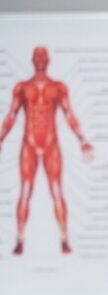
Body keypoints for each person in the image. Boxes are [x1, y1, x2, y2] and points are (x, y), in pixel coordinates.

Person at [0, 46, 94, 256]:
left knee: (56, 190)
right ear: (32, 60)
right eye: (37, 56)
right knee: (25, 190)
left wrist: (82, 140)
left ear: (48, 60)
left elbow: (70, 114)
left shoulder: (58, 87)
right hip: (29, 144)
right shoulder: (22, 87)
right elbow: (11, 115)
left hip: (51, 143)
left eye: (43, 56)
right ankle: (20, 240)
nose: (41, 59)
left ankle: (64, 239)